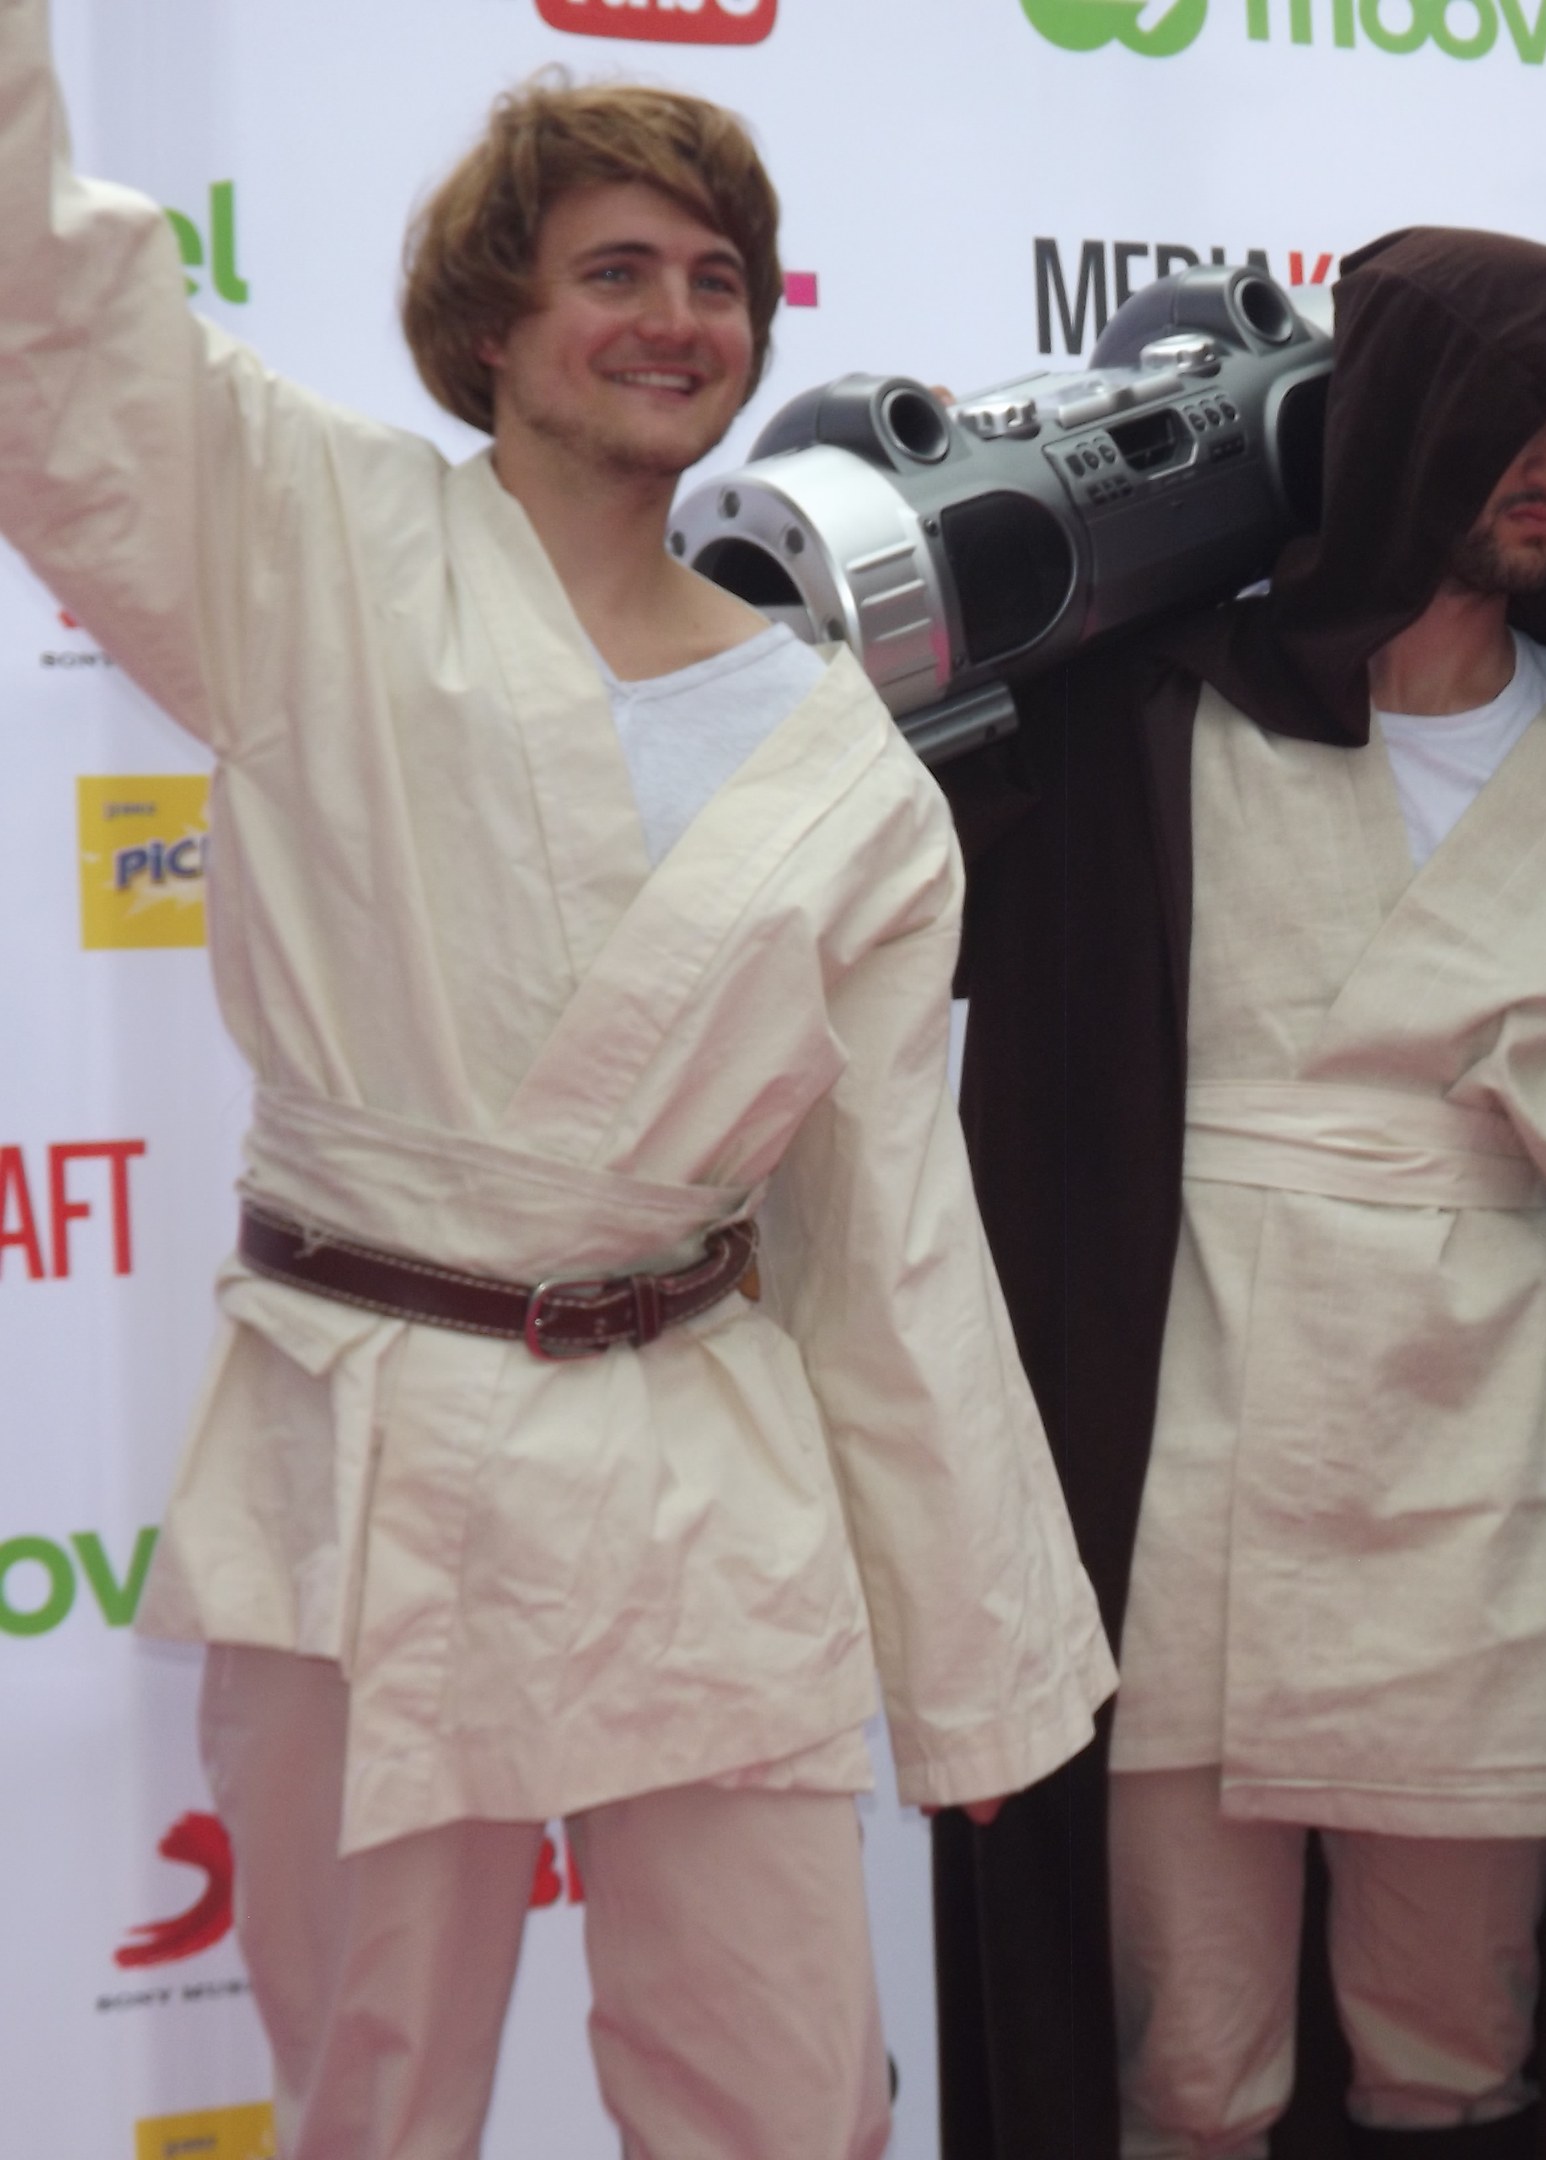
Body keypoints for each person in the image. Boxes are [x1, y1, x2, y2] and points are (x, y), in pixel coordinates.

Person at [0, 13, 1113, 2156]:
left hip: (703, 1457)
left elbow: (885, 1249)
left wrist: (972, 1670)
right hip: (370, 1445)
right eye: (614, 270)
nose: (674, 319)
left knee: (790, 2102)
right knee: (375, 2098)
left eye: (715, 279)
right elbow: (48, 315)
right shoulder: (310, 543)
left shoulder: (845, 772)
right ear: (493, 323)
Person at [937, 228, 1546, 2159]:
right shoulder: (1142, 720)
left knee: (1460, 2055)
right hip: (1183, 1468)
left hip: (1501, 1476)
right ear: (1401, 408)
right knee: (1187, 2069)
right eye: (1520, 414)